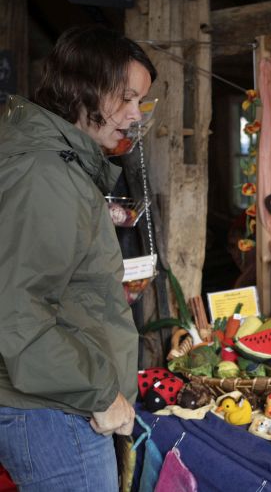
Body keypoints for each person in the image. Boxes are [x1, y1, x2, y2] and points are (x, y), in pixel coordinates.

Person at [0, 25, 156, 491]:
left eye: (140, 101)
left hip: (57, 396)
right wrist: (102, 393)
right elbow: (16, 309)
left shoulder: (54, 163)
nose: (135, 114)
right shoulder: (46, 173)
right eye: (126, 98)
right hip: (55, 408)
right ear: (82, 89)